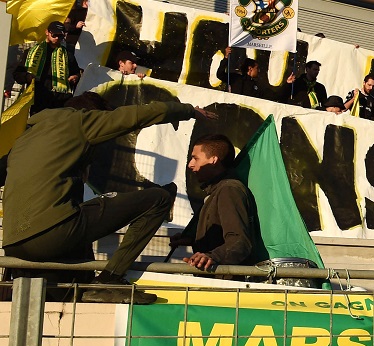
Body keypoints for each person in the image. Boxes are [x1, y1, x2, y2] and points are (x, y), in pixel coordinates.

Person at [1, 92, 217, 304]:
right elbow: (136, 115)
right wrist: (187, 110)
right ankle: (109, 279)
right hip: (52, 235)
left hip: (14, 245)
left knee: (77, 233)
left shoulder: (26, 138)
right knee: (159, 198)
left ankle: (85, 287)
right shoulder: (80, 120)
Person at [170, 135, 256, 271]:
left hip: (224, 283)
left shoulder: (229, 190)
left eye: (195, 158)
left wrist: (212, 256)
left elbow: (239, 242)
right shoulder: (217, 191)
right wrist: (191, 238)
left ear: (213, 160)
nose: (190, 164)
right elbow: (219, 236)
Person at [13, 21, 81, 114]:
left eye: (60, 36)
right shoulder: (31, 52)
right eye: (54, 35)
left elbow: (76, 72)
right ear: (47, 32)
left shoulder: (67, 55)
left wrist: (75, 77)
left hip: (60, 103)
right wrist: (27, 77)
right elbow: (17, 74)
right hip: (38, 102)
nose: (57, 38)